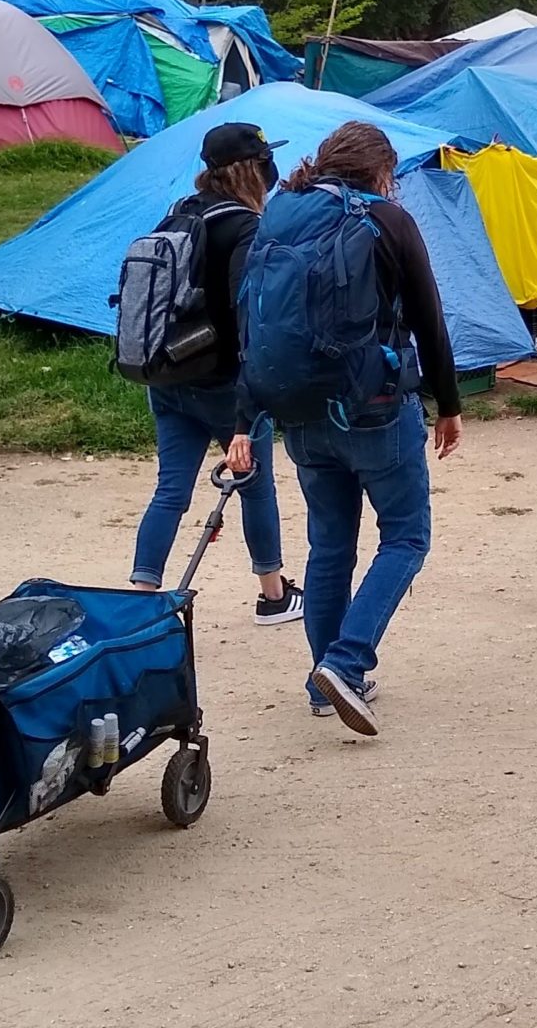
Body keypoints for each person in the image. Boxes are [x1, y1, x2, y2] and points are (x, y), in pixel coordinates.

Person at [240, 121, 463, 735]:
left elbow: (253, 321)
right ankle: (346, 660)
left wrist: (247, 411)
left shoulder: (282, 211)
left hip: (301, 409)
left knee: (330, 546)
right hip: (375, 408)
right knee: (406, 537)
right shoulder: (388, 221)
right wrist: (448, 402)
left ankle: (326, 681)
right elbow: (428, 319)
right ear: (380, 171)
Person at [128, 122, 302, 627]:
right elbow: (248, 312)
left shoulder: (180, 211)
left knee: (170, 491)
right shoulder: (244, 225)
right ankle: (273, 595)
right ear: (252, 169)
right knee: (255, 486)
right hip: (224, 385)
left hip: (169, 374)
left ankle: (141, 599)